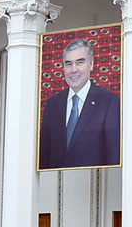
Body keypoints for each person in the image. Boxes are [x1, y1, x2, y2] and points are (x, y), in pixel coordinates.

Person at [38, 37, 121, 169]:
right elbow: (44, 158)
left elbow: (114, 157)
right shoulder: (52, 105)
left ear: (91, 64)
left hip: (94, 185)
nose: (73, 70)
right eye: (68, 64)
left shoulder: (110, 102)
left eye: (80, 62)